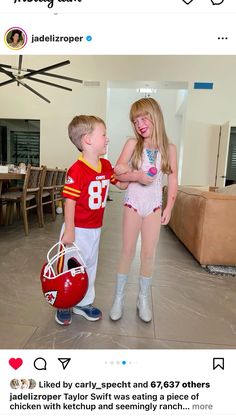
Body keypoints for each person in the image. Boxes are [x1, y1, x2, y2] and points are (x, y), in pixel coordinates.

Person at [109, 98, 178, 323]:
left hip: (154, 206)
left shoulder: (169, 149)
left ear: (155, 116)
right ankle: (118, 298)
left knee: (148, 253)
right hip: (133, 203)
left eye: (143, 117)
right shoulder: (132, 144)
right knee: (127, 251)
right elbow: (117, 172)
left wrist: (169, 206)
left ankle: (143, 298)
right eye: (135, 120)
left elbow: (173, 178)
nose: (139, 124)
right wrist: (136, 175)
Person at [55, 115, 128, 326]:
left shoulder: (105, 165)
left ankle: (84, 302)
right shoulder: (76, 170)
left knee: (90, 267)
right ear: (87, 139)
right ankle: (64, 302)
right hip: (76, 229)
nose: (107, 139)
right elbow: (69, 201)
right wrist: (69, 229)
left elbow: (121, 185)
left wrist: (129, 172)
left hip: (95, 229)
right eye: (103, 134)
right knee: (71, 267)